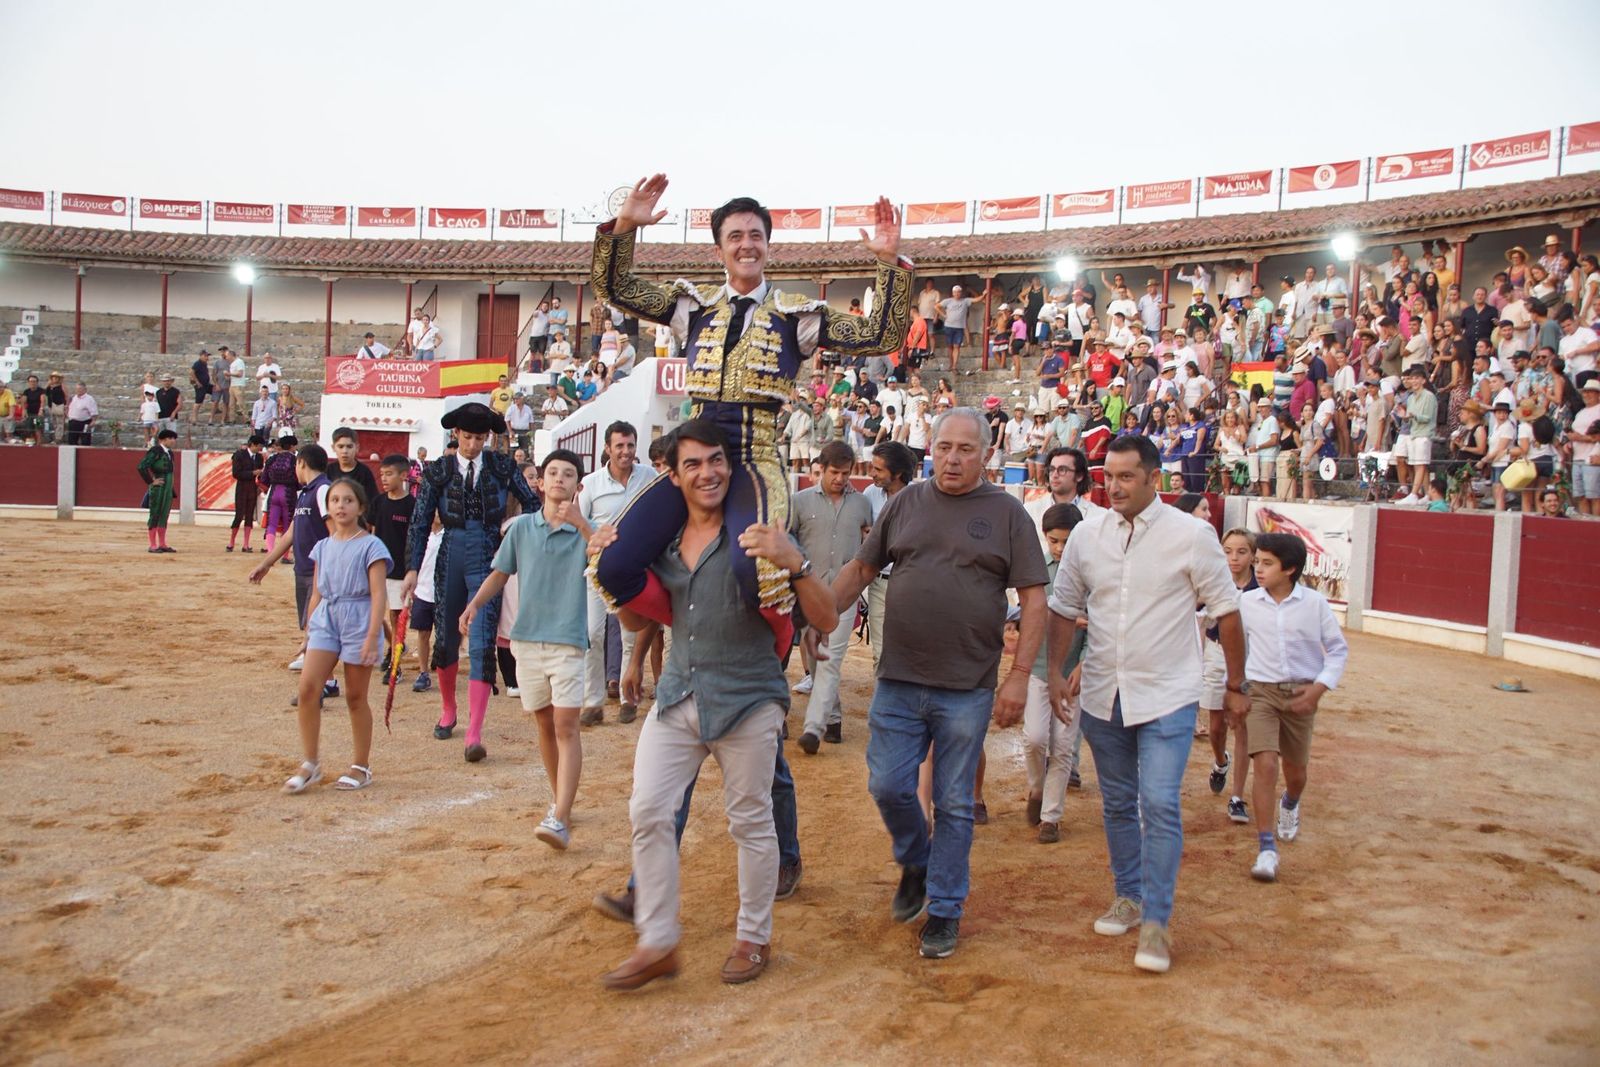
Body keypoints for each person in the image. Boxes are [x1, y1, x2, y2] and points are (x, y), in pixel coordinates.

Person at [588, 179, 910, 657]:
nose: (746, 244)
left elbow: (880, 335)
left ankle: (781, 644)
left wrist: (888, 264)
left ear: (767, 245)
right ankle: (699, 622)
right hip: (692, 458)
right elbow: (613, 287)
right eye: (735, 235)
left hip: (755, 457)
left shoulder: (796, 314)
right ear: (720, 248)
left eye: (755, 235)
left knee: (754, 567)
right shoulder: (691, 306)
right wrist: (624, 228)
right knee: (610, 564)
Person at [590, 419, 839, 991]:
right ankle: (656, 941)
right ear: (673, 476)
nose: (709, 473)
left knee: (750, 821)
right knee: (648, 810)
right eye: (694, 464)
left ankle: (754, 936)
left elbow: (824, 617)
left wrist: (794, 559)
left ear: (732, 466)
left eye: (717, 460)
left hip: (749, 699)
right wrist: (607, 565)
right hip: (679, 691)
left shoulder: (759, 536)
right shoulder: (663, 541)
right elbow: (636, 617)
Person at [829, 407, 1048, 960]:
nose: (953, 458)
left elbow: (1034, 599)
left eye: (966, 449)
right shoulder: (905, 502)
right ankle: (916, 859)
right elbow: (861, 568)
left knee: (952, 803)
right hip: (898, 676)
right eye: (944, 447)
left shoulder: (1007, 514)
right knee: (887, 785)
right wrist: (817, 613)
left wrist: (1019, 676)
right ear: (931, 448)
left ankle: (946, 910)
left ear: (987, 454)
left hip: (967, 685)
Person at [1048, 435, 1248, 974]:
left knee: (1158, 802)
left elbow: (1227, 611)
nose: (1113, 486)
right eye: (1108, 476)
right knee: (1116, 802)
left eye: (1126, 477)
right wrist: (1053, 670)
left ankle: (1157, 919)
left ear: (1154, 479)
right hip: (1102, 695)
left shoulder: (1192, 535)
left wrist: (1235, 684)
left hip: (1168, 692)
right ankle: (1129, 896)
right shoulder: (1088, 536)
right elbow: (1063, 607)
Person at [461, 449, 592, 850]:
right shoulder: (521, 529)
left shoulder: (589, 529)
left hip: (568, 640)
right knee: (544, 725)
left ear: (578, 485)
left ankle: (560, 815)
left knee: (566, 727)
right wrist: (474, 604)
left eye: (568, 475)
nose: (559, 480)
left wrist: (582, 524)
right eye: (552, 473)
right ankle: (561, 804)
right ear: (540, 482)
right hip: (527, 641)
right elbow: (500, 573)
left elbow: (608, 558)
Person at [400, 403, 540, 763]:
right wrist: (414, 568)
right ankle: (449, 709)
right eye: (468, 437)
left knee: (480, 641)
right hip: (451, 551)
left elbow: (531, 505)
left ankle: (475, 731)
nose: (474, 445)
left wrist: (514, 537)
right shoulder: (439, 470)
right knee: (445, 636)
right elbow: (419, 521)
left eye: (481, 438)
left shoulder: (502, 466)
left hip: (489, 554)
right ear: (455, 435)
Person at [1238, 533, 1349, 883]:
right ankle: (1266, 847)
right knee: (1266, 763)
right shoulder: (1247, 602)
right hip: (1261, 692)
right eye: (1257, 561)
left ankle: (1290, 802)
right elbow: (1233, 644)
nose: (1258, 569)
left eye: (1267, 563)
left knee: (1296, 772)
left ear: (1290, 569)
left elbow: (1337, 650)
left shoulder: (1315, 604)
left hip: (1302, 693)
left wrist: (1318, 689)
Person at [280, 476, 391, 795]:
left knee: (356, 697)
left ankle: (361, 765)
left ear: (360, 507)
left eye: (347, 500)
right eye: (335, 501)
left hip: (359, 618)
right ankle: (310, 762)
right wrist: (308, 631)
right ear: (327, 508)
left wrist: (372, 636)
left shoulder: (372, 545)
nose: (341, 506)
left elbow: (378, 594)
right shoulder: (322, 547)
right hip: (327, 618)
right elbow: (316, 592)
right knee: (307, 689)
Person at [788, 440, 873, 754]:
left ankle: (813, 728)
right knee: (813, 658)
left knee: (829, 658)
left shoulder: (863, 504)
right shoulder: (798, 502)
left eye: (846, 473)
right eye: (835, 472)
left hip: (844, 595)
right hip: (807, 592)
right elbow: (789, 542)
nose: (840, 479)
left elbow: (869, 545)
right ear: (820, 469)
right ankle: (834, 718)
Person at [577, 422, 656, 726]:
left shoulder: (649, 477)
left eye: (630, 445)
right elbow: (578, 526)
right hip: (597, 572)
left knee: (630, 636)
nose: (625, 452)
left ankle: (628, 699)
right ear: (608, 448)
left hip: (634, 571)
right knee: (593, 634)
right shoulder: (591, 484)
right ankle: (593, 702)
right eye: (619, 446)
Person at [249, 444, 340, 705]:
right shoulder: (306, 493)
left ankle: (315, 688)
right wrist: (266, 564)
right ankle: (330, 681)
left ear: (302, 463)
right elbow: (290, 533)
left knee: (317, 627)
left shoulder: (322, 490)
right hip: (305, 570)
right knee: (311, 625)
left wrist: (330, 567)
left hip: (319, 571)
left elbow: (334, 532)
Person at [1024, 503, 1086, 844]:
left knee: (1062, 746)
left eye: (1067, 541)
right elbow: (1025, 615)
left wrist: (1084, 663)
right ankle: (1036, 788)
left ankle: (1051, 817)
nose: (1061, 549)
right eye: (1054, 541)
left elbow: (1100, 625)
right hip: (1037, 668)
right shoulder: (1036, 570)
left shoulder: (1090, 575)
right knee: (1034, 738)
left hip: (1072, 673)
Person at [1204, 529, 1258, 823]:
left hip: (1250, 658)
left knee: (1242, 725)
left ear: (1252, 555)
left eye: (1241, 552)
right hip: (1215, 653)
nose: (1233, 558)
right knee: (1215, 728)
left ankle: (1237, 796)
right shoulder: (1213, 580)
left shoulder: (1259, 588)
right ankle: (1220, 761)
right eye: (1227, 551)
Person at [366, 456, 416, 669]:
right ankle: (393, 645)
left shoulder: (412, 505)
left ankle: (395, 659)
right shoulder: (378, 502)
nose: (384, 479)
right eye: (382, 474)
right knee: (373, 611)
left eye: (389, 474)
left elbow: (415, 538)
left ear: (404, 476)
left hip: (400, 570)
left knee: (396, 614)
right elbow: (371, 532)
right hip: (377, 568)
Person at [1392, 365, 1437, 505]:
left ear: (1423, 380)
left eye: (1417, 378)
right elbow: (1410, 418)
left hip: (1424, 434)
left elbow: (1428, 417)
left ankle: (1413, 494)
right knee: (1417, 464)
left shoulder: (1429, 396)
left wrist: (1413, 415)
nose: (1414, 381)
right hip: (1413, 433)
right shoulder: (1411, 398)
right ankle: (1426, 495)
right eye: (1412, 378)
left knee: (1421, 464)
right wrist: (1404, 416)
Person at [137, 428, 179, 553]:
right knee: (155, 514)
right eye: (170, 438)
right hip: (158, 488)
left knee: (164, 514)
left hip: (167, 488)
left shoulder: (169, 453)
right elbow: (141, 466)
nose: (173, 441)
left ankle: (162, 544)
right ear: (162, 440)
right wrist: (151, 481)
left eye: (173, 438)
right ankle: (153, 545)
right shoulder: (155, 451)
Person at [258, 434, 299, 557]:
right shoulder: (295, 460)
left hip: (274, 492)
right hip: (289, 493)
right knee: (287, 525)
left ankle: (271, 553)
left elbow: (263, 479)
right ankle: (285, 556)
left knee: (272, 524)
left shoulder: (272, 459)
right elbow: (300, 480)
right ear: (292, 446)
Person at [227, 434, 265, 553]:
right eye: (259, 446)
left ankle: (246, 544)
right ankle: (231, 542)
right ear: (253, 444)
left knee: (249, 516)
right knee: (239, 515)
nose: (260, 449)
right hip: (242, 488)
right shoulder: (239, 455)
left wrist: (260, 484)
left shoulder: (259, 458)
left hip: (253, 489)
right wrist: (253, 473)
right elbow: (236, 474)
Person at [1569, 380, 1600, 517]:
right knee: (1580, 495)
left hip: (1592, 457)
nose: (1586, 394)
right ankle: (1586, 524)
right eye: (1585, 392)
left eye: (1590, 391)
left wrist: (1579, 438)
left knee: (1594, 496)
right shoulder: (1581, 412)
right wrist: (1569, 443)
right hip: (1577, 457)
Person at [329, 427, 379, 503]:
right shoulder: (328, 471)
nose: (345, 451)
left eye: (349, 447)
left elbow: (373, 502)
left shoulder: (364, 472)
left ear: (357, 448)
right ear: (333, 448)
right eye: (340, 447)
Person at [189, 350, 217, 427]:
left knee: (215, 391)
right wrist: (197, 382)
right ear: (201, 355)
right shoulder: (197, 363)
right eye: (205, 356)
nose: (207, 357)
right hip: (200, 386)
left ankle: (214, 408)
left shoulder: (204, 364)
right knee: (198, 402)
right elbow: (191, 372)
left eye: (207, 356)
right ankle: (194, 418)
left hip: (206, 385)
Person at [65, 381, 98, 445]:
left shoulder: (89, 399)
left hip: (85, 422)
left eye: (80, 389)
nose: (78, 391)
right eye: (77, 389)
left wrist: (93, 421)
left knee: (85, 441)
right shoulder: (73, 398)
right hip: (73, 422)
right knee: (72, 441)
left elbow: (94, 411)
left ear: (85, 390)